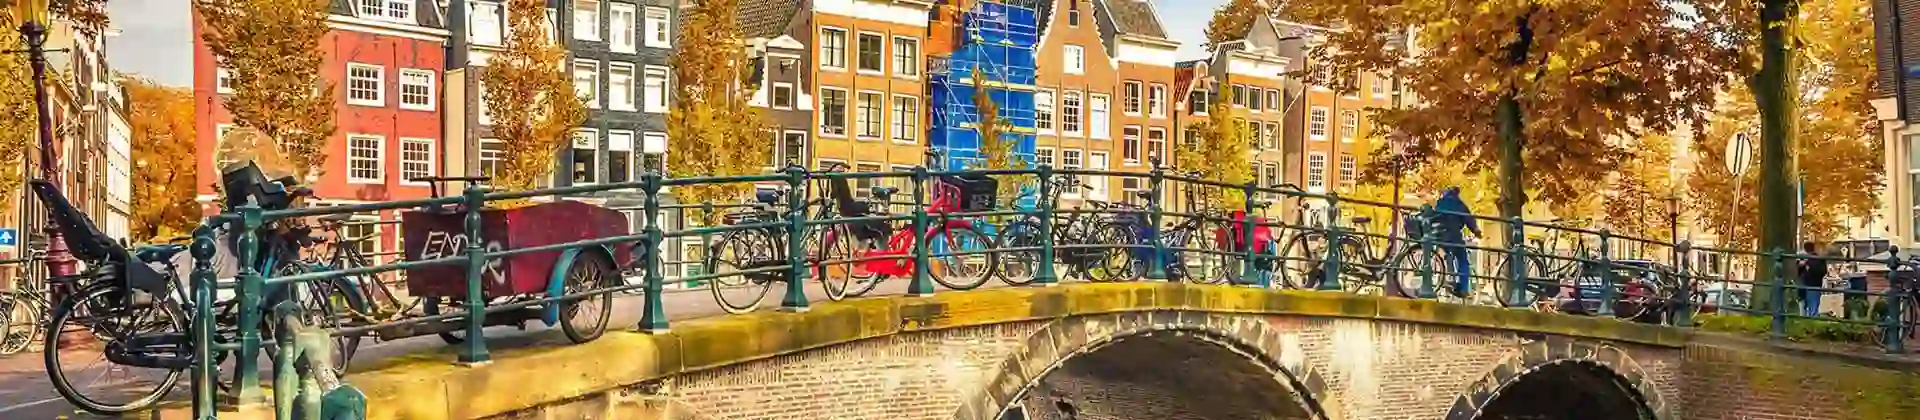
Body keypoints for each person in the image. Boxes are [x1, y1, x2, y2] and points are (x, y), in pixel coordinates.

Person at [1428, 187, 1482, 297]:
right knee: (1462, 259)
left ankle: (1447, 277)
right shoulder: (1460, 204)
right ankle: (1463, 288)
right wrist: (1476, 232)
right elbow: (1469, 220)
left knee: (1445, 253)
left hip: (1439, 235)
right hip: (1454, 235)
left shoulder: (1440, 203)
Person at [1798, 241, 1828, 317]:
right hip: (1814, 285)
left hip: (1804, 285)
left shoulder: (1802, 259)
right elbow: (1823, 271)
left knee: (1803, 308)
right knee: (1813, 308)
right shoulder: (1819, 259)